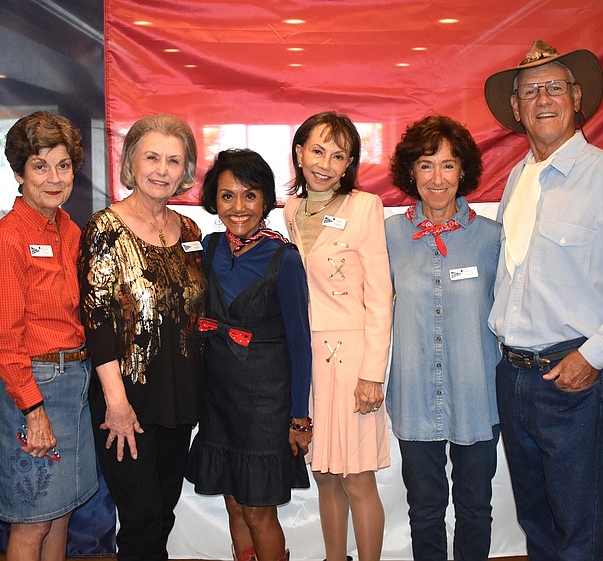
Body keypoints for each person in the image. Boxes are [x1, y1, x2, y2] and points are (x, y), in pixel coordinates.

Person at [484, 39, 603, 560]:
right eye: (530, 91)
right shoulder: (519, 179)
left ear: (577, 96)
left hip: (572, 379)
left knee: (577, 528)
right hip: (514, 376)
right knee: (536, 522)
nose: (543, 99)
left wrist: (590, 359)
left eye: (554, 87)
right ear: (517, 109)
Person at [78, 114, 206, 561]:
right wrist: (115, 403)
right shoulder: (104, 229)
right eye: (151, 157)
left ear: (185, 170)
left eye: (174, 160)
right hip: (127, 404)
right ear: (130, 162)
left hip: (178, 400)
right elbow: (96, 322)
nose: (161, 169)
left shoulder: (190, 232)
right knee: (139, 519)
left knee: (164, 513)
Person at [0, 111, 97, 561]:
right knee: (32, 519)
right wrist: (33, 411)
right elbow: (4, 342)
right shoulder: (5, 239)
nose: (54, 177)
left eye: (63, 165)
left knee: (61, 511)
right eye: (40, 165)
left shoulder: (70, 231)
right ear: (18, 172)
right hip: (35, 387)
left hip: (76, 383)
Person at [185, 149, 312, 561]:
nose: (238, 207)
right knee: (234, 503)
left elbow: (300, 342)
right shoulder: (209, 247)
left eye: (249, 195)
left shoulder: (285, 258)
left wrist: (299, 417)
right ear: (213, 200)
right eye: (227, 196)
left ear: (266, 200)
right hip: (219, 398)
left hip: (265, 403)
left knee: (258, 511)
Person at [385, 115, 500, 560]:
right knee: (425, 509)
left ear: (463, 171)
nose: (438, 178)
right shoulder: (390, 234)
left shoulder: (490, 238)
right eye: (427, 165)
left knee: (475, 507)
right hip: (415, 393)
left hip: (477, 394)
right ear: (411, 171)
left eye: (448, 165)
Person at [283, 112, 392, 561]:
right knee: (325, 474)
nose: (325, 163)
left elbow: (381, 296)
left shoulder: (364, 207)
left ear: (349, 163)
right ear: (299, 153)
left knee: (356, 477)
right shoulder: (289, 211)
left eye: (338, 155)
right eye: (317, 150)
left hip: (352, 360)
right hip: (306, 361)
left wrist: (372, 374)